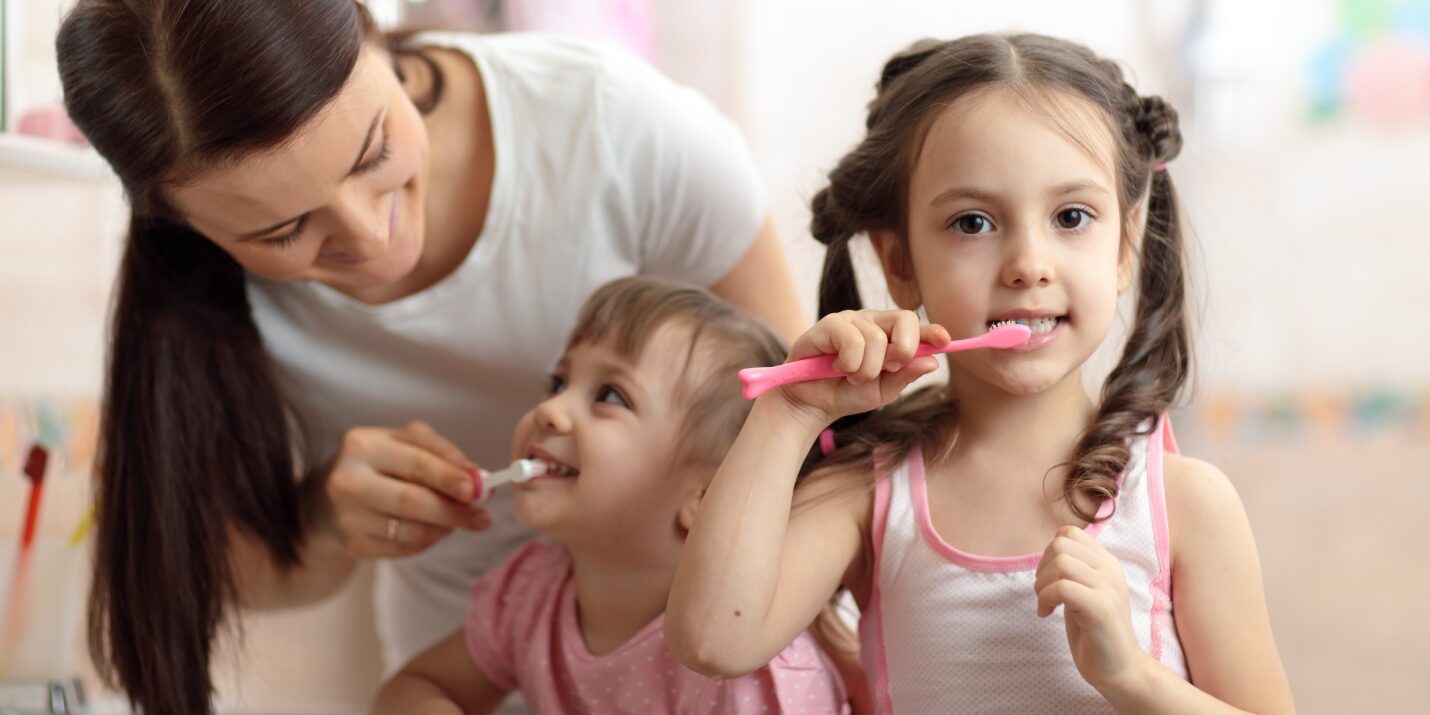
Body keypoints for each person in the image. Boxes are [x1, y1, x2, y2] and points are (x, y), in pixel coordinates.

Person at [56, 2, 805, 713]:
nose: (371, 238)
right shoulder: (198, 297)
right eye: (284, 231)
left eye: (373, 151)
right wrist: (321, 515)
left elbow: (802, 439)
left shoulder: (622, 130)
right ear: (188, 230)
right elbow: (230, 565)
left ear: (378, 38)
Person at [667, 33, 1296, 713]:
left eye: (1071, 217)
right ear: (900, 262)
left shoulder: (1187, 504)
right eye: (972, 222)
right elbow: (711, 639)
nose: (1028, 261)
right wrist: (791, 411)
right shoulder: (871, 491)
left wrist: (1131, 676)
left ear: (1124, 244)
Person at [372, 276, 849, 714]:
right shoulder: (529, 594)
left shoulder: (751, 672)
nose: (551, 410)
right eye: (557, 382)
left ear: (708, 495)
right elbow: (416, 686)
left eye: (611, 396)